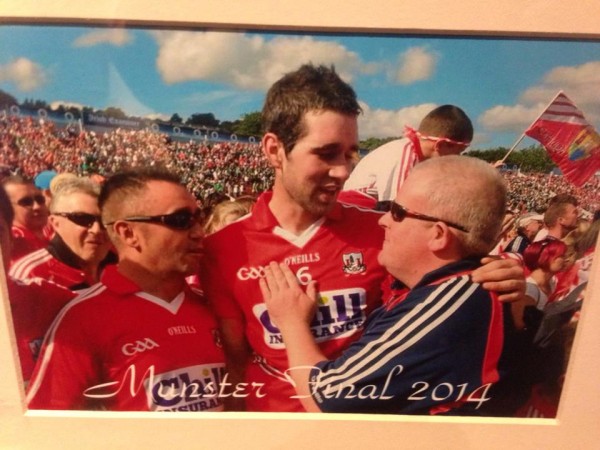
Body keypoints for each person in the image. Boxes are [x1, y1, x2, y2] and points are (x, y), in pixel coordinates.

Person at [201, 64, 524, 412]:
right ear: (274, 150)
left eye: (350, 153)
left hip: (358, 424)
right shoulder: (224, 248)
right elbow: (235, 360)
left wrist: (510, 281)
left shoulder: (382, 234)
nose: (343, 170)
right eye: (326, 153)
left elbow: (445, 293)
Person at [260, 155, 509, 415]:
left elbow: (328, 398)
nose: (383, 220)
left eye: (398, 212)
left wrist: (290, 321)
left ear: (438, 235)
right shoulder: (456, 287)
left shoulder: (455, 297)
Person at [26, 168, 225, 411]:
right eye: (180, 220)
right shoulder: (83, 319)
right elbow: (46, 424)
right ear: (128, 233)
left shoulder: (213, 305)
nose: (198, 232)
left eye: (199, 218)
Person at [0, 184, 75, 385]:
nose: (36, 207)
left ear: (10, 237)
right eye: (25, 202)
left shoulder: (51, 300)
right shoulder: (29, 267)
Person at [343, 104, 473, 202]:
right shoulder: (402, 157)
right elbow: (397, 208)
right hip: (355, 213)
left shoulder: (417, 157)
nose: (457, 158)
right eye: (458, 152)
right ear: (440, 145)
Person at [9, 177, 111, 290]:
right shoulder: (31, 275)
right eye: (82, 219)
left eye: (104, 220)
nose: (96, 229)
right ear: (55, 223)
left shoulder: (121, 264)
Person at [1, 175, 51, 263]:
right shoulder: (12, 244)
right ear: (8, 207)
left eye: (40, 200)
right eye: (26, 202)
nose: (37, 206)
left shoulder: (50, 235)